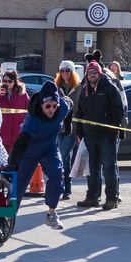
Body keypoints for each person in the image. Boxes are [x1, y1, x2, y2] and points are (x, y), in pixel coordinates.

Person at [9, 82, 71, 230]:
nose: (51, 109)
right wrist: (13, 164)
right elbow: (20, 144)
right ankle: (9, 215)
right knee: (20, 184)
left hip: (49, 148)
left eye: (54, 106)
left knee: (57, 174)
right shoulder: (32, 121)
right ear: (41, 105)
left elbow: (70, 103)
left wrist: (68, 125)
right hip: (29, 151)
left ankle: (51, 213)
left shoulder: (62, 107)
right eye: (47, 106)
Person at [74, 61, 125, 210]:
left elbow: (119, 110)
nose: (92, 75)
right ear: (86, 75)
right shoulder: (85, 90)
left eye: (95, 73)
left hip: (107, 136)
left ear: (100, 74)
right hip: (89, 136)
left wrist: (113, 130)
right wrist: (79, 132)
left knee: (109, 167)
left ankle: (112, 198)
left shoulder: (110, 88)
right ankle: (92, 197)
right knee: (92, 168)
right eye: (90, 73)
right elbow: (79, 112)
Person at [55, 60, 82, 200]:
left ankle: (61, 187)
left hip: (72, 129)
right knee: (65, 159)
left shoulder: (79, 88)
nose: (65, 73)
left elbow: (81, 109)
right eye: (62, 70)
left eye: (68, 70)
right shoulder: (56, 87)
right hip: (58, 128)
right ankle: (66, 188)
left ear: (72, 72)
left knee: (62, 155)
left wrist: (79, 131)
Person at [0, 70, 30, 153]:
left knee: (15, 155)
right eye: (5, 81)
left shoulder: (22, 93)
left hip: (17, 129)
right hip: (3, 129)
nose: (7, 83)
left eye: (10, 81)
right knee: (2, 155)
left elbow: (29, 108)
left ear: (15, 82)